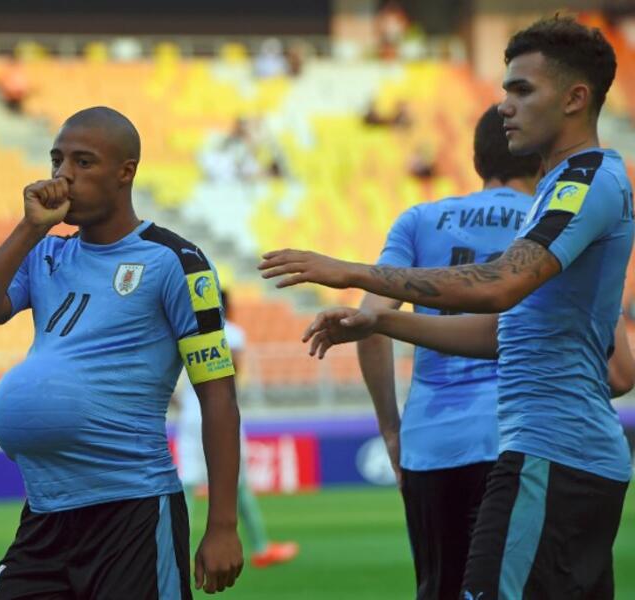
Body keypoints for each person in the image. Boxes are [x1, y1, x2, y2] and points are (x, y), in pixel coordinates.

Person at [260, 17, 632, 598]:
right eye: (506, 88)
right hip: (553, 452)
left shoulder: (584, 183)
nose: (504, 104)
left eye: (522, 90)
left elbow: (497, 286)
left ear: (575, 98)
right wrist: (381, 319)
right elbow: (501, 330)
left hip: (553, 451)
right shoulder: (561, 189)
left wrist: (354, 271)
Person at [0, 106, 243, 598]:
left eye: (83, 162)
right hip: (46, 515)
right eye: (57, 160)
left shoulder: (176, 262)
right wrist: (28, 230)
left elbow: (217, 397)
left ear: (125, 172)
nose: (63, 176)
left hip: (133, 512)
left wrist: (223, 525)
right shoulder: (45, 252)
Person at [357, 104, 539, 599]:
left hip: (431, 441)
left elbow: (369, 323)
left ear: (477, 158)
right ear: (540, 156)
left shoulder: (419, 220)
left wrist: (392, 431)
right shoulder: (553, 221)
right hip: (523, 437)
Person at [175, 290, 299, 569]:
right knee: (236, 482)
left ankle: (174, 549)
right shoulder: (232, 333)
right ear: (226, 305)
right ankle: (260, 547)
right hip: (219, 415)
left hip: (189, 414)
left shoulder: (184, 330)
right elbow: (234, 375)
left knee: (186, 485)